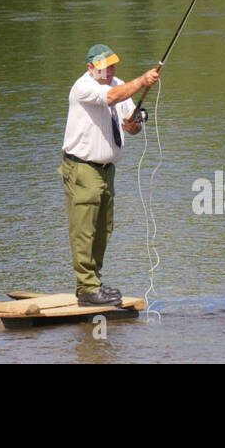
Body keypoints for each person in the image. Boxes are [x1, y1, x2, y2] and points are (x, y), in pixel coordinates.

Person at [60, 43, 160, 306]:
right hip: (82, 168)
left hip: (107, 170)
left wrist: (134, 124)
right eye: (104, 67)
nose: (110, 70)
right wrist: (142, 80)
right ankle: (86, 289)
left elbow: (132, 124)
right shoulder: (84, 87)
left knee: (103, 228)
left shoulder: (118, 83)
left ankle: (94, 282)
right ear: (91, 68)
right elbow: (111, 97)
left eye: (113, 65)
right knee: (84, 229)